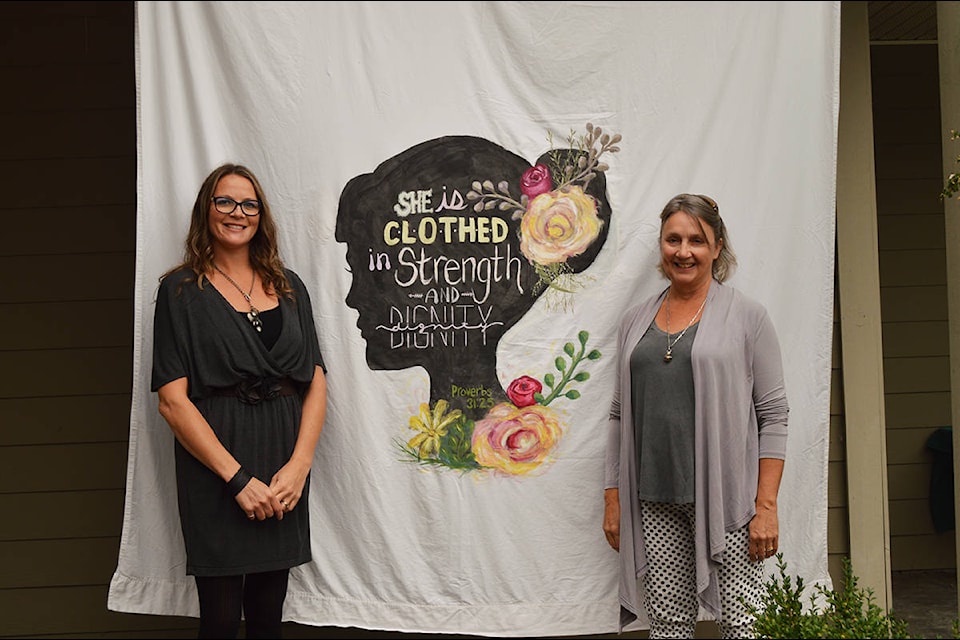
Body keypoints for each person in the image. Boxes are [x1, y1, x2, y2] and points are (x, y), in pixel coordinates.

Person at [151, 163, 328, 639]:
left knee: (269, 615)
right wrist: (237, 479)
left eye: (249, 204)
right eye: (224, 201)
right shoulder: (181, 291)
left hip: (282, 465)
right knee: (222, 620)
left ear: (261, 215)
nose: (237, 213)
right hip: (216, 466)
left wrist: (299, 467)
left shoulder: (290, 287)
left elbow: (314, 381)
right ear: (206, 211)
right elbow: (172, 401)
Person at [602, 193, 788, 638]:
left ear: (717, 247)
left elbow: (775, 415)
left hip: (729, 504)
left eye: (697, 241)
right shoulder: (635, 320)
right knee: (668, 625)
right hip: (654, 499)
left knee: (742, 623)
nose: (684, 251)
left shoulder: (747, 317)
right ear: (662, 247)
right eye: (673, 240)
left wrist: (765, 507)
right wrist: (613, 498)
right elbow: (617, 415)